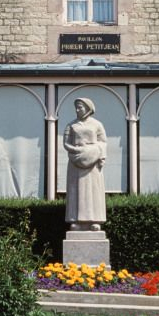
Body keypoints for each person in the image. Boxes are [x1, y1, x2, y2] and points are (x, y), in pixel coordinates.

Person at [64, 97, 106, 230]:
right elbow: (66, 143)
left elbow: (103, 142)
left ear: (88, 108)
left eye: (80, 107)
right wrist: (76, 150)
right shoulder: (71, 125)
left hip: (93, 164)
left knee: (93, 191)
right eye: (76, 107)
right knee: (76, 191)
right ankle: (75, 221)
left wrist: (97, 154)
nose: (77, 110)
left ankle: (95, 221)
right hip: (75, 162)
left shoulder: (97, 124)